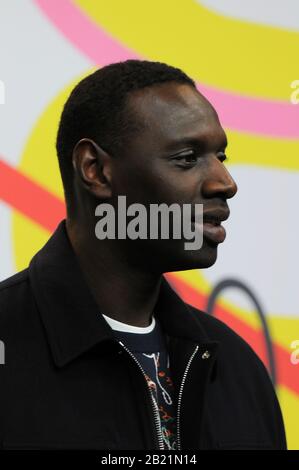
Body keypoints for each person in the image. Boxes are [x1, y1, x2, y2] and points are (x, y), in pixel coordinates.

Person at [0, 60, 286, 450]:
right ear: (96, 170)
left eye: (222, 156)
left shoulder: (235, 368)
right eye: (187, 157)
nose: (225, 183)